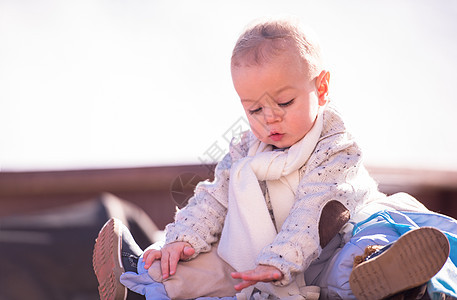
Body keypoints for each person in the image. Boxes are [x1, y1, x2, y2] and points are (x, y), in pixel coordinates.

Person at [93, 17, 457, 300]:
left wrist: (280, 260)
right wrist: (184, 237)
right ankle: (142, 282)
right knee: (190, 263)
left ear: (322, 87)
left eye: (284, 102)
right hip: (265, 256)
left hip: (330, 243)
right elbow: (214, 196)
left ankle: (392, 278)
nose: (270, 118)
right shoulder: (244, 149)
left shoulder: (336, 146)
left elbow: (318, 209)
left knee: (359, 251)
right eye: (254, 109)